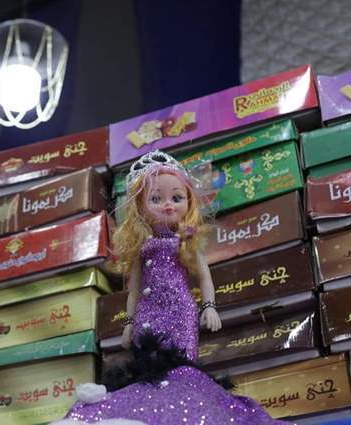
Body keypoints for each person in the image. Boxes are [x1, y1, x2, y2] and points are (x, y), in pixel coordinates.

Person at [51, 150, 289, 425]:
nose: (167, 205)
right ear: (140, 206)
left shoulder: (185, 242)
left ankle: (177, 407)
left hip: (180, 311)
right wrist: (128, 323)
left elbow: (204, 277)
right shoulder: (143, 247)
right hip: (147, 313)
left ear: (188, 202)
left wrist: (209, 307)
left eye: (176, 198)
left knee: (180, 369)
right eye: (156, 199)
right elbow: (134, 290)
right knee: (148, 370)